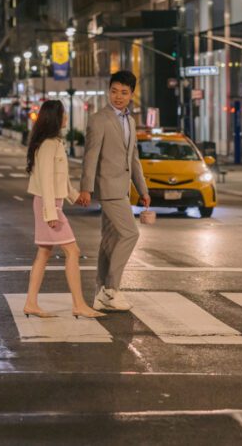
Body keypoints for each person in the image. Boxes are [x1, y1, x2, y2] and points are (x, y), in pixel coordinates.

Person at [23, 99, 106, 319]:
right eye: (64, 113)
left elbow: (60, 180)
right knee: (73, 252)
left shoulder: (54, 142)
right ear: (54, 117)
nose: (66, 117)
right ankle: (78, 304)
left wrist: (75, 196)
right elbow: (47, 182)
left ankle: (31, 303)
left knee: (44, 253)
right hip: (47, 205)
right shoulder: (48, 144)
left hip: (51, 203)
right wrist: (51, 214)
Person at [77, 70, 150, 312]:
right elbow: (91, 156)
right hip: (108, 187)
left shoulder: (129, 121)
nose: (118, 96)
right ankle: (112, 289)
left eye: (124, 92)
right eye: (114, 91)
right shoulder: (99, 119)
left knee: (109, 241)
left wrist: (143, 189)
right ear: (109, 91)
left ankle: (99, 292)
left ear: (131, 95)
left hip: (123, 189)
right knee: (130, 234)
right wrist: (86, 188)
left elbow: (134, 158)